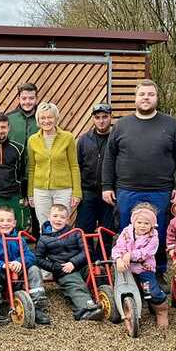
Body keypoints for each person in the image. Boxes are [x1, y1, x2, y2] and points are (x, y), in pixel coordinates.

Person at [102, 79, 176, 285]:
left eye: (150, 94)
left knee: (158, 232)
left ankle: (156, 272)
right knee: (128, 232)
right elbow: (109, 157)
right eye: (142, 94)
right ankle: (127, 273)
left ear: (157, 98)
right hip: (127, 190)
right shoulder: (121, 125)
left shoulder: (171, 124)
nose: (146, 98)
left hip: (160, 191)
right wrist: (106, 185)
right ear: (135, 98)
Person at [0, 205, 50, 326]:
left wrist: (19, 262)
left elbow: (30, 256)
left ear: (14, 223)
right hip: (0, 275)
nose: (5, 223)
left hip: (17, 274)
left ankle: (37, 306)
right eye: (1, 220)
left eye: (9, 220)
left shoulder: (19, 238)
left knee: (34, 269)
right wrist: (2, 265)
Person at [35, 204, 103, 321]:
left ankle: (106, 299)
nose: (58, 219)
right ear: (49, 217)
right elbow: (38, 258)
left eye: (62, 217)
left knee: (98, 272)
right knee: (76, 284)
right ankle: (86, 308)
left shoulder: (75, 232)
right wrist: (54, 267)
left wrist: (73, 263)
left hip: (80, 265)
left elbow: (87, 250)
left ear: (67, 220)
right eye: (55, 216)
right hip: (63, 269)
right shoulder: (44, 238)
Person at [111, 203, 169, 327]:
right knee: (124, 287)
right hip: (127, 268)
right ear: (134, 222)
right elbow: (118, 247)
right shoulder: (126, 232)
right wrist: (118, 259)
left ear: (152, 224)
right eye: (139, 222)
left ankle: (161, 310)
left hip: (144, 269)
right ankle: (126, 308)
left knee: (150, 291)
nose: (142, 226)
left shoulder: (153, 236)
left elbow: (147, 252)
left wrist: (130, 255)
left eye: (146, 223)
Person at [27, 102, 82, 227]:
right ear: (38, 120)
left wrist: (77, 193)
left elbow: (74, 166)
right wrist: (30, 193)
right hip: (40, 190)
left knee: (61, 224)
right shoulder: (32, 140)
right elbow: (31, 168)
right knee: (44, 225)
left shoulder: (67, 138)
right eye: (43, 118)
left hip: (63, 190)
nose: (46, 121)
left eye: (50, 117)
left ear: (56, 118)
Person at [76, 103, 114, 260]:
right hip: (87, 192)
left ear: (110, 117)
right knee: (84, 229)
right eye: (97, 117)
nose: (101, 121)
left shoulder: (116, 138)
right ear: (93, 119)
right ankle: (87, 262)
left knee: (106, 231)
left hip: (109, 193)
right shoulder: (84, 140)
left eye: (105, 117)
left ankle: (103, 262)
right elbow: (77, 166)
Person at [7, 83, 40, 236]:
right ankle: (15, 243)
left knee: (36, 212)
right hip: (14, 174)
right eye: (24, 98)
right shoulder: (10, 118)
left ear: (36, 98)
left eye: (31, 98)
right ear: (18, 98)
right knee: (15, 210)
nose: (27, 102)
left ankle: (39, 244)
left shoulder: (42, 117)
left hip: (37, 173)